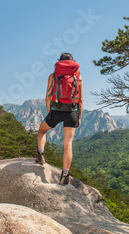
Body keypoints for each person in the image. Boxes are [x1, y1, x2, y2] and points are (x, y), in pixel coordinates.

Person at [36, 53, 83, 185]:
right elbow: (81, 100)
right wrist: (79, 117)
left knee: (41, 131)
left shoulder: (53, 76)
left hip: (56, 110)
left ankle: (40, 154)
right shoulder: (78, 77)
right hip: (72, 112)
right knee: (68, 144)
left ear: (59, 62)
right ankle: (65, 175)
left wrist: (49, 112)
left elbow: (48, 96)